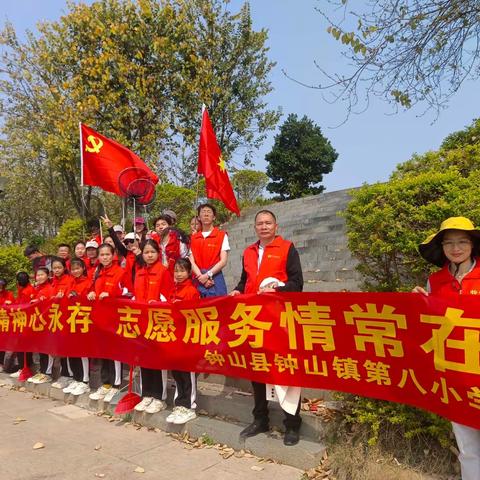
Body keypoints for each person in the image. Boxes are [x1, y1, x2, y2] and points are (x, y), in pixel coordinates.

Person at [413, 216, 480, 480]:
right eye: (449, 243)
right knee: (467, 444)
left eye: (462, 241)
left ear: (472, 245)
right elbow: (430, 325)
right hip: (455, 372)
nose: (456, 248)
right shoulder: (435, 281)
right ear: (441, 248)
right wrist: (419, 304)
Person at [230, 209, 304, 446]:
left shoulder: (287, 248)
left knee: (285, 369)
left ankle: (292, 424)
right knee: (257, 370)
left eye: (268, 223)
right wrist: (237, 291)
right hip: (253, 319)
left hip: (279, 318)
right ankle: (260, 419)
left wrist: (278, 291)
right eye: (259, 223)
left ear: (276, 226)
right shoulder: (248, 252)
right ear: (255, 228)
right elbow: (245, 281)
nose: (263, 227)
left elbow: (297, 283)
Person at [133, 240, 174, 414]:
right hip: (142, 322)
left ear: (158, 253)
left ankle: (159, 397)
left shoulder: (163, 272)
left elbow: (169, 296)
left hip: (158, 321)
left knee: (157, 360)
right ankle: (147, 394)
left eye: (152, 252)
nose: (149, 255)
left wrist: (157, 304)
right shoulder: (140, 272)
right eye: (146, 252)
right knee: (144, 359)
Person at [88, 243, 128, 402]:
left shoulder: (121, 272)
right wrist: (91, 293)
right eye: (102, 255)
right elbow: (92, 289)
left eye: (107, 254)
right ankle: (105, 384)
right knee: (103, 352)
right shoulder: (97, 273)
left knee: (114, 353)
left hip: (115, 319)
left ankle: (116, 385)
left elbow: (128, 292)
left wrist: (112, 293)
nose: (104, 257)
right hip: (100, 319)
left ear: (114, 255)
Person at [166, 257, 200, 424]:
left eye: (182, 271)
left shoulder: (191, 291)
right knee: (177, 373)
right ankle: (179, 404)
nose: (178, 274)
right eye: (176, 271)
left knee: (187, 374)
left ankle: (190, 406)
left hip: (187, 340)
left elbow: (195, 317)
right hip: (173, 339)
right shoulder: (173, 290)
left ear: (189, 272)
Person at [62, 258, 92, 396]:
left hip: (83, 320)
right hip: (71, 321)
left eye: (78, 268)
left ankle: (84, 381)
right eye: (73, 269)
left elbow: (89, 299)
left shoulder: (88, 282)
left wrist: (79, 296)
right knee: (72, 350)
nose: (75, 271)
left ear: (83, 268)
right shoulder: (70, 282)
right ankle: (76, 378)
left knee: (82, 351)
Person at [189, 203, 229, 297]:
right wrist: (201, 277)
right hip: (198, 279)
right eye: (203, 212)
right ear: (199, 217)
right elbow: (191, 261)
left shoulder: (222, 235)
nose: (206, 214)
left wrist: (207, 275)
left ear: (214, 217)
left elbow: (223, 261)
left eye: (209, 212)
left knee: (220, 307)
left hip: (215, 277)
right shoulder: (193, 238)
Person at [49, 257, 76, 390]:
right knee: (60, 348)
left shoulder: (69, 280)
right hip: (56, 318)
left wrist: (62, 298)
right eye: (54, 268)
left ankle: (68, 375)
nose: (57, 270)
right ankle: (64, 374)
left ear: (64, 268)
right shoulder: (53, 281)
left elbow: (71, 296)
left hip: (67, 317)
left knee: (67, 348)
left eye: (59, 267)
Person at [28, 267, 55, 384]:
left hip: (48, 324)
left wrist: (42, 302)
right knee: (40, 348)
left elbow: (52, 305)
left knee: (47, 349)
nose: (39, 277)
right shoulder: (37, 289)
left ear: (48, 275)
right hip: (38, 324)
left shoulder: (50, 289)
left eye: (42, 275)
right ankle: (42, 371)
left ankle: (47, 373)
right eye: (37, 275)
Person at [10, 272, 35, 378]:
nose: (21, 280)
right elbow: (18, 302)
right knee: (20, 346)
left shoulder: (29, 290)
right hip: (20, 320)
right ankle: (22, 367)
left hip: (27, 321)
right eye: (19, 279)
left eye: (23, 278)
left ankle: (26, 367)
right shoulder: (21, 288)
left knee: (24, 346)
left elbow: (27, 306)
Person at [0, 278, 14, 373]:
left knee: (3, 344)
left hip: (5, 323)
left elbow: (15, 306)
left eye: (2, 286)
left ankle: (2, 363)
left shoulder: (9, 294)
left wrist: (11, 303)